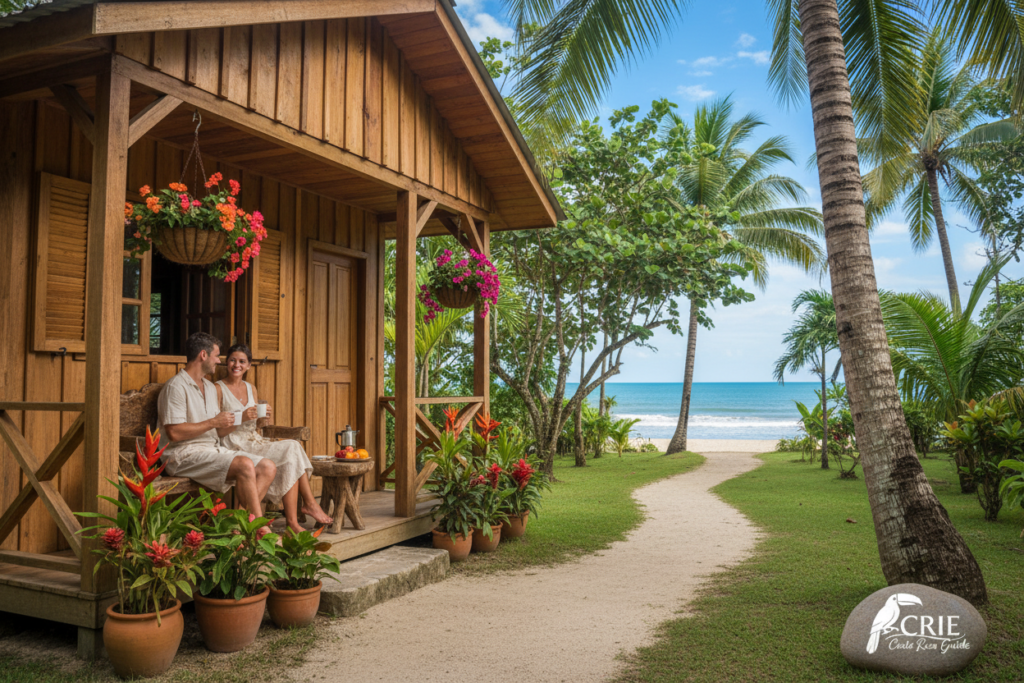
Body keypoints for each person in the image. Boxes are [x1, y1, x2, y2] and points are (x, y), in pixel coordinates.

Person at [157, 332, 279, 528]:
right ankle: (260, 528)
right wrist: (213, 422)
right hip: (182, 455)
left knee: (267, 467)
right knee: (245, 464)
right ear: (203, 355)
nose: (219, 361)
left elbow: (219, 432)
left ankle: (240, 528)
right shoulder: (176, 387)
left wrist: (243, 418)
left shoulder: (208, 387)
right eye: (217, 355)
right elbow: (175, 433)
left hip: (211, 449)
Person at [216, 343, 332, 533]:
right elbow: (218, 430)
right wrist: (243, 417)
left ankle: (295, 521)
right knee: (291, 450)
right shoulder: (218, 389)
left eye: (242, 361)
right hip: (233, 444)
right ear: (226, 362)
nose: (237, 365)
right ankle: (303, 512)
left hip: (254, 440)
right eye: (232, 360)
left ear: (249, 366)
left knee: (291, 452)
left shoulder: (250, 388)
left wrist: (264, 418)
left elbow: (256, 425)